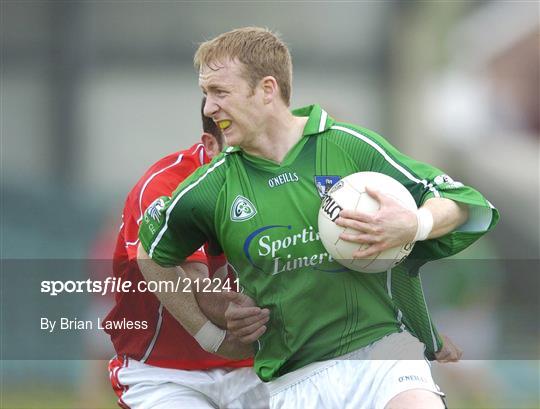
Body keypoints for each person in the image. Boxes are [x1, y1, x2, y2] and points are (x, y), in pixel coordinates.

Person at [138, 27, 499, 409]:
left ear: (267, 89)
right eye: (206, 94)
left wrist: (415, 224)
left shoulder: (348, 145)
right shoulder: (212, 187)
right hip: (293, 381)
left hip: (384, 356)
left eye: (220, 93)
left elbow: (461, 199)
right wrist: (209, 334)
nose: (209, 109)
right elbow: (150, 253)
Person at [104, 99, 265, 408]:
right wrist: (215, 339)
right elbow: (195, 283)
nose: (258, 160)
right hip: (165, 373)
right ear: (210, 144)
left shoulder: (284, 178)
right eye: (242, 149)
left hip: (257, 368)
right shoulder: (162, 187)